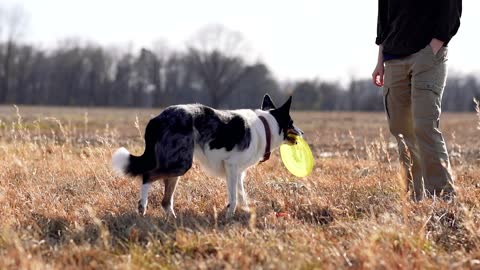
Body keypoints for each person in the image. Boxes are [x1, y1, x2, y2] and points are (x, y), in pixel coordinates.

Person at [372, 0, 462, 201]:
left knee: (424, 125)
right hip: (393, 58)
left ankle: (442, 196)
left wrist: (434, 46)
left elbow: (452, 9)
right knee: (402, 130)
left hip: (427, 55)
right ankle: (415, 195)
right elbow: (384, 19)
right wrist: (380, 60)